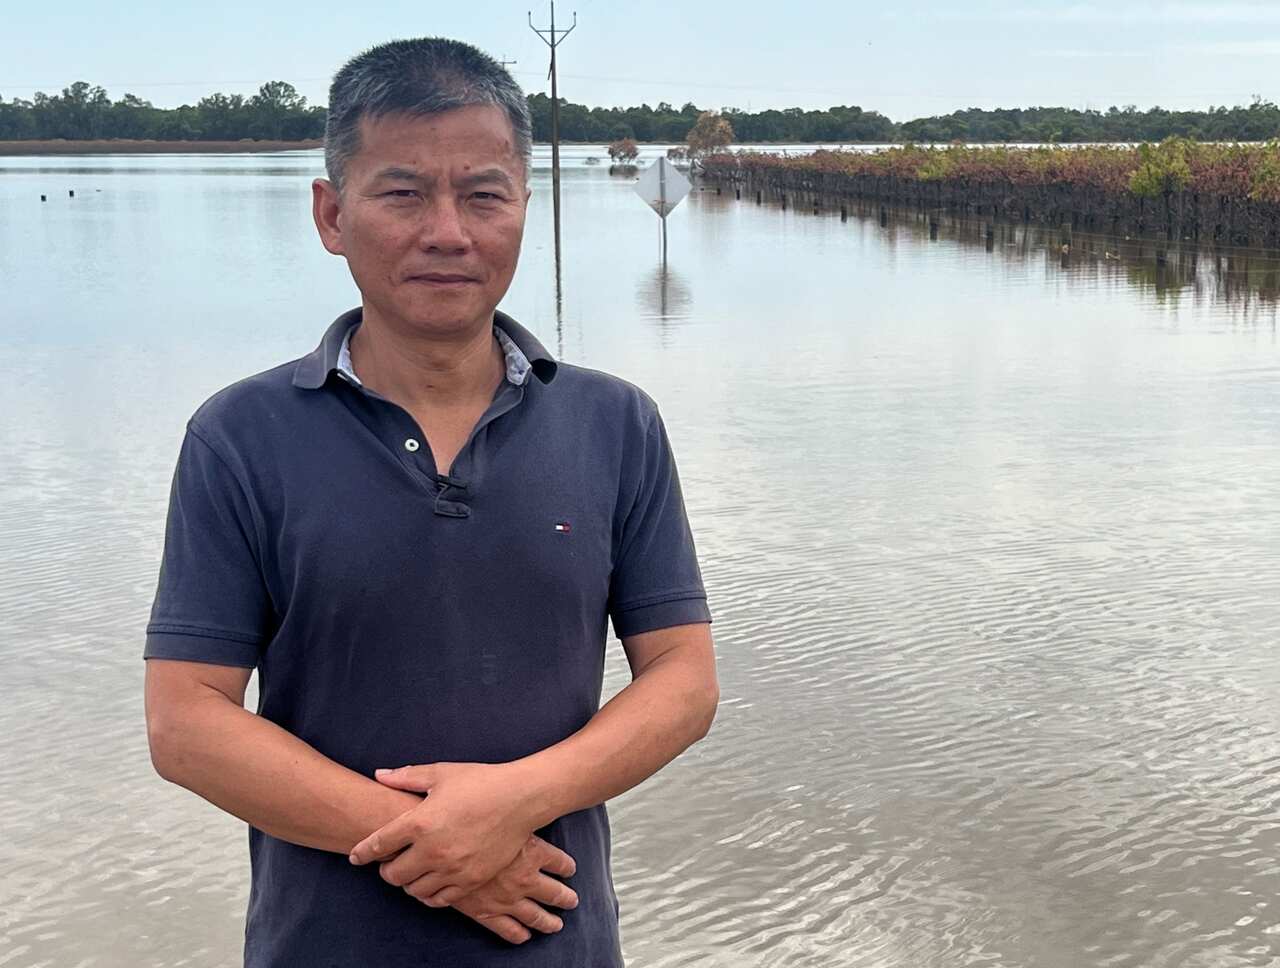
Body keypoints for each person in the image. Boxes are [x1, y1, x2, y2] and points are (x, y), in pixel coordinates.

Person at [142, 37, 718, 968]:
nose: (448, 232)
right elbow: (187, 722)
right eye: (403, 193)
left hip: (558, 941)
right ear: (332, 214)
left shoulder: (615, 424)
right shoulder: (240, 436)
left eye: (484, 194)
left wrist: (515, 801)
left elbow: (684, 681)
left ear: (525, 206)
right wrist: (440, 843)